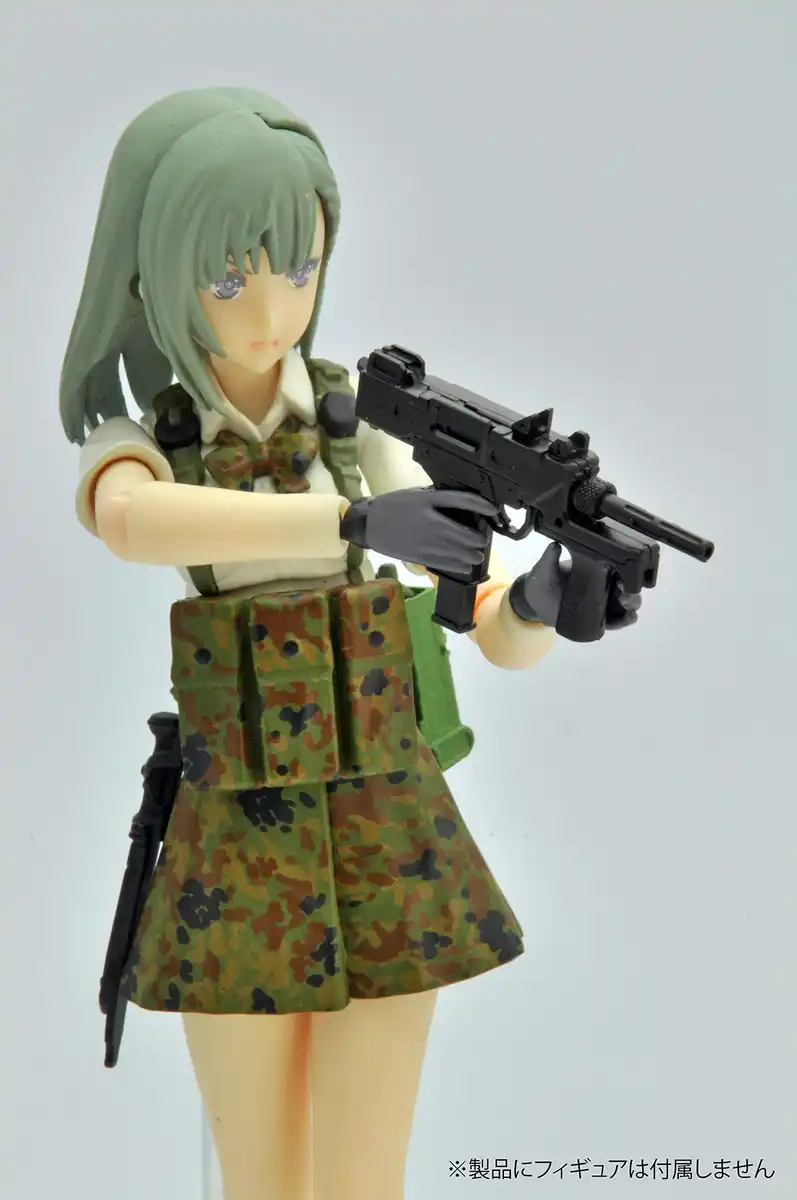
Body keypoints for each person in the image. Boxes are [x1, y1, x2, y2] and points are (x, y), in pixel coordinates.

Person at [60, 88, 640, 1200]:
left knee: (367, 1170)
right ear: (157, 275)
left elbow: (479, 621)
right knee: (262, 1171)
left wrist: (539, 603)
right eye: (226, 279)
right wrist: (352, 523)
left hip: (386, 816)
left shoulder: (354, 425)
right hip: (237, 834)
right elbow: (130, 521)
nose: (269, 310)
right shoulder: (150, 441)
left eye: (298, 268)